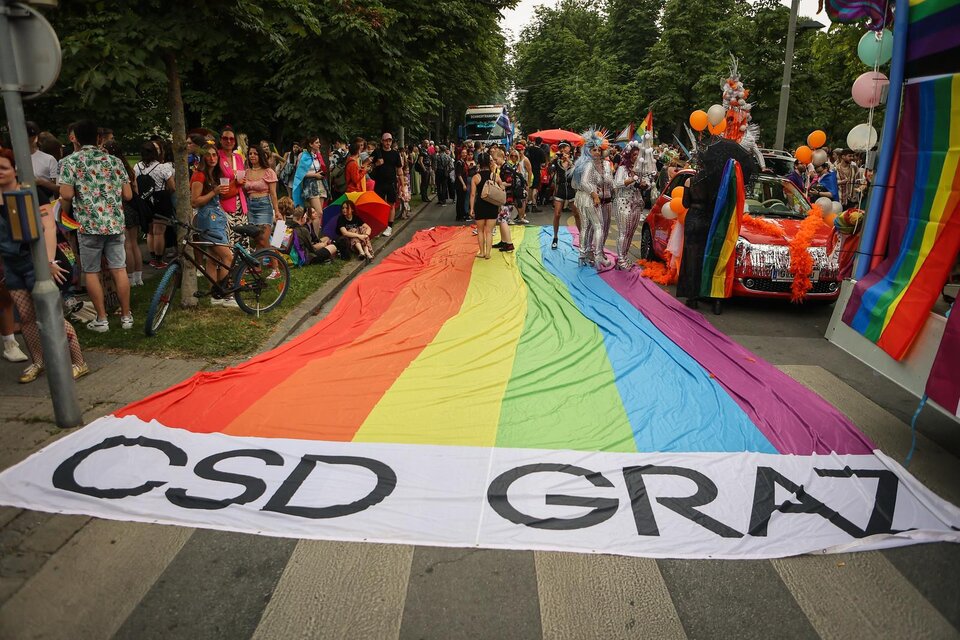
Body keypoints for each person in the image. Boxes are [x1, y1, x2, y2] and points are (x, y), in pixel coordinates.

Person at [0, 149, 88, 382]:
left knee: (52, 315)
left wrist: (49, 261)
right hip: (11, 264)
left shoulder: (31, 193)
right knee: (26, 316)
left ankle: (79, 363)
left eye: (3, 168)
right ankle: (38, 361)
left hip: (36, 262)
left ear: (14, 169)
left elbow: (49, 227)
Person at [58, 120, 134, 332]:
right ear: (99, 138)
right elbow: (128, 194)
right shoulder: (114, 162)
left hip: (89, 224)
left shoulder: (70, 162)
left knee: (91, 272)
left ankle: (102, 319)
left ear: (76, 138)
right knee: (119, 268)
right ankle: (126, 316)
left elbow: (65, 194)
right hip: (115, 223)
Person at [190, 144, 238, 308]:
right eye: (208, 155)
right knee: (227, 257)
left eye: (214, 155)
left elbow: (221, 195)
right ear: (203, 157)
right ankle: (226, 294)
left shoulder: (214, 175)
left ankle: (215, 296)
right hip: (208, 219)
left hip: (216, 218)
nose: (212, 158)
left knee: (213, 258)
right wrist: (214, 192)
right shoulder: (199, 176)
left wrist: (234, 185)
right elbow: (195, 201)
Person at [103, 140, 144, 287]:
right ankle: (139, 276)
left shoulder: (113, 168)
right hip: (133, 208)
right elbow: (135, 190)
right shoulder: (128, 168)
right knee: (134, 244)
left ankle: (131, 276)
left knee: (126, 244)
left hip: (123, 207)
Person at [571, 129, 611, 268]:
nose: (597, 152)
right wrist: (594, 195)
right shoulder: (588, 164)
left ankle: (583, 254)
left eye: (599, 150)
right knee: (598, 226)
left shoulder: (580, 163)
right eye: (594, 150)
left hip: (580, 197)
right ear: (588, 150)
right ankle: (598, 255)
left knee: (586, 227)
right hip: (589, 198)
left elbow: (575, 184)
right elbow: (584, 182)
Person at [241, 145, 281, 278]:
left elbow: (274, 194)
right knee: (257, 238)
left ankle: (276, 268)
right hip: (251, 207)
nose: (252, 156)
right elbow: (243, 191)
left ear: (260, 156)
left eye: (255, 154)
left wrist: (277, 212)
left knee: (264, 238)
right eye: (250, 154)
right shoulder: (246, 172)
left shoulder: (268, 172)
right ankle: (257, 266)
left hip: (264, 206)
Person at [134, 140, 175, 269]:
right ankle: (158, 259)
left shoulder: (137, 167)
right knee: (159, 232)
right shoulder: (162, 167)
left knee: (150, 231)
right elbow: (172, 187)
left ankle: (152, 257)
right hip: (160, 199)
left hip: (145, 200)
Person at [612, 141, 646, 270]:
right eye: (634, 154)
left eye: (638, 154)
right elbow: (617, 184)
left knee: (631, 233)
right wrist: (633, 179)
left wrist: (644, 184)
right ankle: (620, 260)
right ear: (629, 155)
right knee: (623, 232)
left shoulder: (640, 170)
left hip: (637, 204)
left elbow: (645, 184)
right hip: (623, 202)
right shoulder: (622, 168)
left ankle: (624, 257)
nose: (636, 157)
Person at [217, 126, 248, 244]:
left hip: (240, 202)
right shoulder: (217, 157)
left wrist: (243, 181)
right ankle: (228, 262)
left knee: (241, 239)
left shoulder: (238, 158)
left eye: (231, 139)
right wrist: (236, 182)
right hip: (225, 202)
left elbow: (242, 176)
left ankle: (241, 262)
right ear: (220, 140)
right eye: (225, 138)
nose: (228, 141)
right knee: (227, 238)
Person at [469, 152, 500, 259]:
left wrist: (472, 208)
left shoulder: (475, 177)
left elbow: (473, 194)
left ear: (479, 163)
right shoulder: (494, 176)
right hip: (492, 205)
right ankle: (488, 253)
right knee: (489, 231)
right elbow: (501, 187)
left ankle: (482, 252)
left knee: (480, 230)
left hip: (480, 206)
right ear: (488, 162)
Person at [550, 141, 580, 250]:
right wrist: (552, 160)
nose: (562, 149)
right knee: (557, 214)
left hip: (572, 189)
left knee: (576, 214)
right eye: (560, 147)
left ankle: (582, 237)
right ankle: (555, 237)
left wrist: (569, 161)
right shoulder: (557, 160)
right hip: (561, 189)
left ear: (569, 148)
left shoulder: (575, 159)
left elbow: (578, 172)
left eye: (564, 147)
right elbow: (550, 171)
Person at [371, 132, 402, 236]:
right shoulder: (377, 152)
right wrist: (376, 163)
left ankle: (389, 226)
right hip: (379, 182)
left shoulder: (395, 154)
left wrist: (402, 184)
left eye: (390, 140)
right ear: (382, 141)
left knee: (391, 204)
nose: (388, 142)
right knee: (379, 205)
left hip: (391, 183)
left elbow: (399, 169)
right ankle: (380, 225)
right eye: (386, 140)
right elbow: (367, 165)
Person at [292, 136, 327, 216]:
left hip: (320, 184)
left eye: (319, 142)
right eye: (317, 142)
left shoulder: (317, 155)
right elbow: (299, 174)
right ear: (311, 144)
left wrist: (320, 173)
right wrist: (315, 175)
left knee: (319, 213)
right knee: (318, 212)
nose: (319, 144)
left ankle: (315, 228)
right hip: (310, 185)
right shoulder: (303, 155)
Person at [27, 121, 59, 204]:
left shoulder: (49, 159)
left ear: (34, 138)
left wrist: (41, 182)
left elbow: (58, 186)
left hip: (46, 205)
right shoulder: (14, 159)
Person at [526, 137, 544, 211]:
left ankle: (526, 205)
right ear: (541, 143)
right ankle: (534, 205)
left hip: (529, 169)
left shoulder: (529, 149)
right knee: (535, 187)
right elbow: (543, 163)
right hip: (536, 170)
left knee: (529, 186)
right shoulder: (541, 151)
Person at [454, 147, 470, 221]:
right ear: (460, 154)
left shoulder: (463, 161)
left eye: (465, 153)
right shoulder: (459, 162)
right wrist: (463, 184)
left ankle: (461, 215)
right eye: (463, 153)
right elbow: (459, 174)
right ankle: (459, 216)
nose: (464, 154)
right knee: (460, 200)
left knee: (462, 199)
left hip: (463, 182)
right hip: (460, 184)